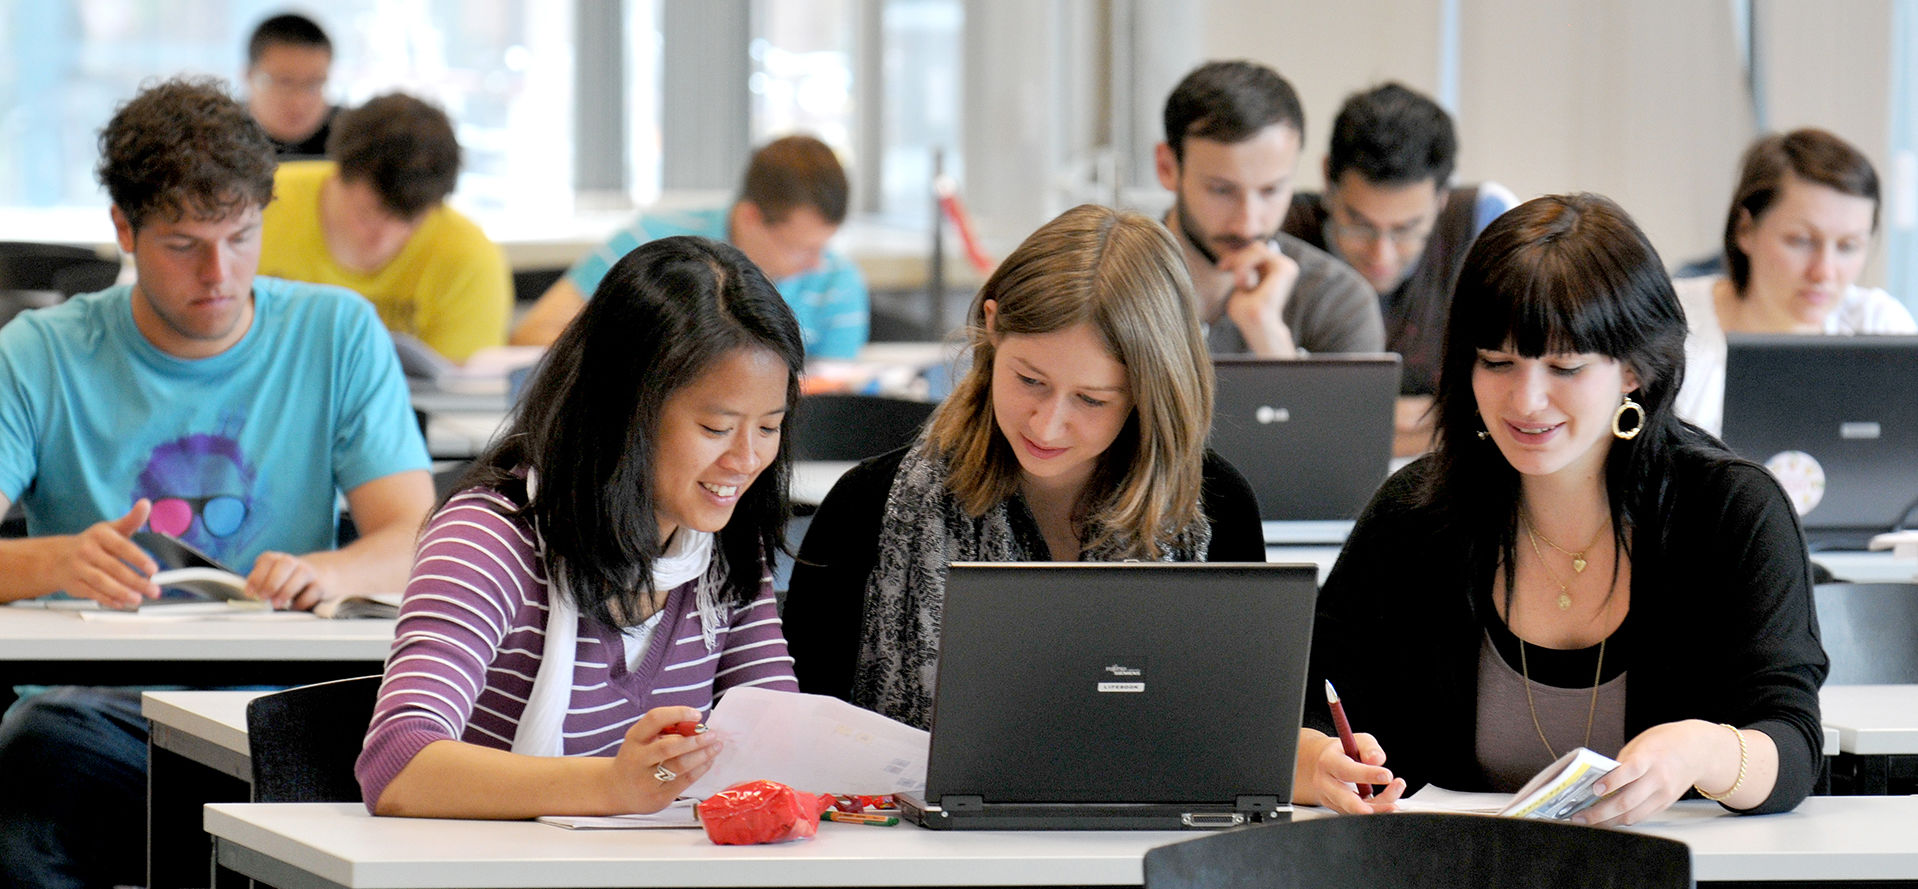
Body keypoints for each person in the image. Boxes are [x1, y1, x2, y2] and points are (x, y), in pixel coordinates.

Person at [0, 76, 433, 889]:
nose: (219, 272)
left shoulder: (335, 331)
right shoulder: (40, 353)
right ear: (123, 230)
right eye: (183, 243)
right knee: (38, 751)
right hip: (101, 709)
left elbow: (415, 535)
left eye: (241, 236)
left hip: (287, 707)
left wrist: (329, 568)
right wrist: (53, 564)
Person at [1295, 194, 1826, 824]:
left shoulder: (1731, 512)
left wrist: (1702, 753)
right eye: (1497, 363)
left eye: (1564, 366)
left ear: (1635, 370)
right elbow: (1304, 705)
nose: (1527, 399)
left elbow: (1791, 745)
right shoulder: (1417, 515)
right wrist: (1315, 762)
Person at [356, 236, 802, 818]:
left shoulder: (720, 544)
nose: (745, 460)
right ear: (627, 411)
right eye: (716, 428)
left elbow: (782, 742)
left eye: (768, 428)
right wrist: (610, 789)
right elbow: (397, 766)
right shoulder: (492, 537)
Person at [781, 204, 1267, 729]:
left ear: (1148, 395)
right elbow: (803, 733)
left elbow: (1250, 724)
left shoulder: (1219, 508)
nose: (1046, 425)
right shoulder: (866, 507)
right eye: (1030, 381)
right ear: (992, 327)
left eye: (1092, 399)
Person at [1280, 82, 1517, 455]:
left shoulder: (1482, 221)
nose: (1382, 254)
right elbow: (1273, 424)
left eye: (1407, 230)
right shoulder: (1276, 230)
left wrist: (1347, 423)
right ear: (1328, 179)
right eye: (1359, 224)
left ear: (1442, 198)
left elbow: (1516, 402)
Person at [512, 134, 869, 359]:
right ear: (749, 217)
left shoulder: (839, 280)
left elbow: (831, 394)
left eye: (824, 246)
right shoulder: (651, 245)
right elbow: (531, 335)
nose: (816, 263)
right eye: (799, 248)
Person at [1672, 128, 1917, 436]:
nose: (1824, 272)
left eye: (1848, 246)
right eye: (1801, 241)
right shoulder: (1669, 323)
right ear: (1746, 229)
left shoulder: (1879, 328)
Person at [1154, 60, 1384, 358]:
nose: (1247, 224)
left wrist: (1268, 336)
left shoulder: (1338, 302)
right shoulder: (1107, 286)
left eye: (1270, 190)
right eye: (1222, 190)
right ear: (1167, 167)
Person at [260, 92, 512, 363]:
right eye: (367, 214)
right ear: (337, 173)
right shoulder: (260, 205)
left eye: (408, 222)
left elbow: (458, 390)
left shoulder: (470, 258)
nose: (384, 238)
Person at [244, 12, 338, 158]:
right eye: (285, 83)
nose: (299, 101)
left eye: (314, 84)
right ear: (249, 76)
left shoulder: (356, 137)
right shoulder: (218, 136)